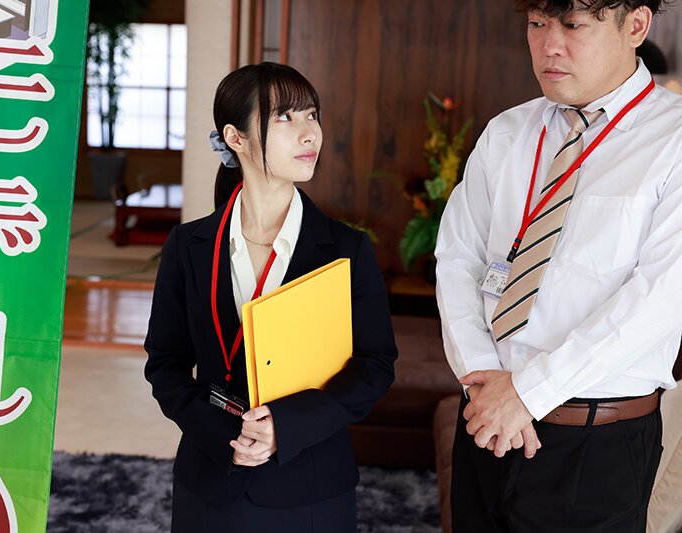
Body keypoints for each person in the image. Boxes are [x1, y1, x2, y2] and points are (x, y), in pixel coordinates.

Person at [434, 1, 682, 531]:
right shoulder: (507, 131)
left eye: (573, 26)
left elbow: (661, 298)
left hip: (595, 446)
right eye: (537, 24)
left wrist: (528, 393)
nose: (550, 45)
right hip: (487, 419)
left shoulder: (674, 138)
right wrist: (484, 383)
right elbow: (457, 258)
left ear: (636, 26)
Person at [144, 62, 397, 532]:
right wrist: (224, 436)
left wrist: (289, 425)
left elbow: (375, 364)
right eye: (285, 117)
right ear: (235, 137)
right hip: (212, 478)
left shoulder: (347, 249)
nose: (309, 132)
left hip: (311, 485)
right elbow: (165, 364)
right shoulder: (189, 246)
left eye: (312, 115)